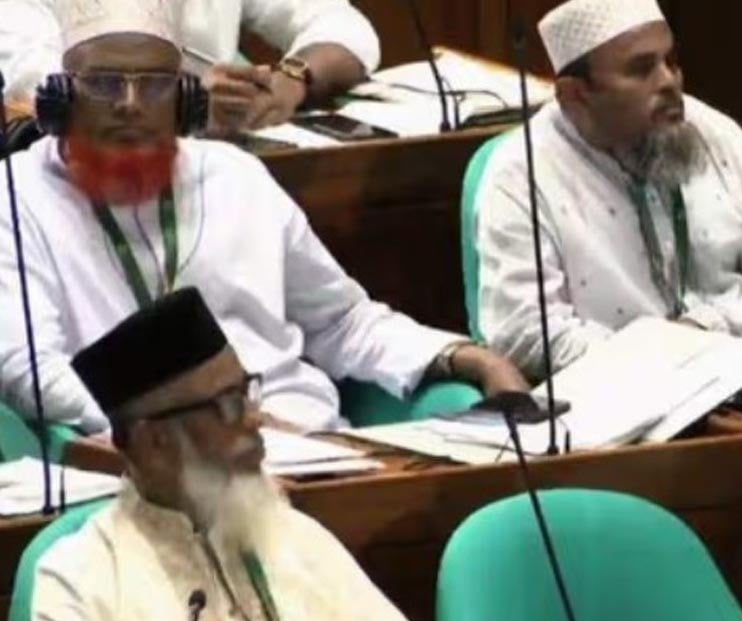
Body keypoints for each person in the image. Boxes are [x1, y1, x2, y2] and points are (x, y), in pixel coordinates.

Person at [0, 0, 527, 435]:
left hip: (307, 446)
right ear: (59, 100)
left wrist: (468, 357)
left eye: (156, 85)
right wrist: (191, 427)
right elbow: (30, 369)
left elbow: (340, 321)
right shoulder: (17, 198)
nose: (131, 105)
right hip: (150, 468)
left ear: (185, 100)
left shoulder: (236, 177)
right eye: (105, 85)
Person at [30, 288, 446, 621]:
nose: (254, 418)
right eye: (228, 405)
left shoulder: (298, 537)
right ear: (154, 441)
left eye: (247, 392)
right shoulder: (81, 579)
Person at [475, 0, 742, 377]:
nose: (668, 82)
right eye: (641, 69)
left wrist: (706, 330)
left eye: (671, 62)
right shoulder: (522, 173)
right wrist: (658, 358)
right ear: (575, 95)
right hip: (616, 395)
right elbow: (523, 334)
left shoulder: (718, 136)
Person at [0, 0, 380, 133]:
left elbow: (343, 25)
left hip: (223, 176)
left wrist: (293, 79)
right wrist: (188, 104)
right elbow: (38, 80)